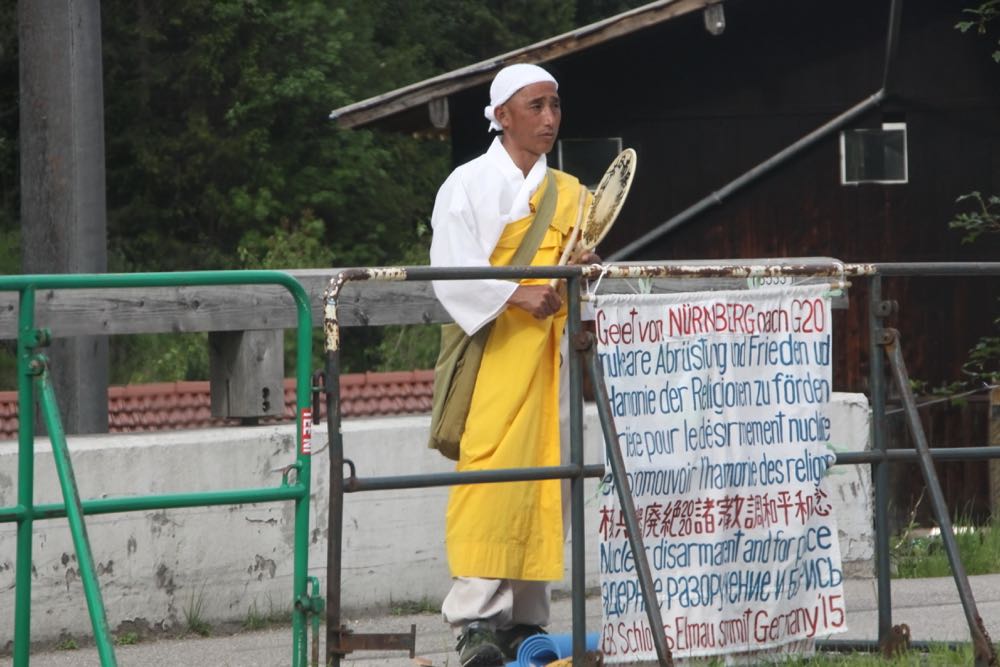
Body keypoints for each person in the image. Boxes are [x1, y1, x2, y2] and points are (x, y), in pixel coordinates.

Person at [429, 63, 595, 667]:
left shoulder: (572, 192)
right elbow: (450, 267)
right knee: (489, 480)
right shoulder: (467, 185)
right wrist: (514, 292)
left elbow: (580, 270)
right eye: (535, 106)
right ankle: (474, 620)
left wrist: (586, 268)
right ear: (502, 116)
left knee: (549, 482)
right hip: (495, 356)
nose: (548, 118)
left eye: (554, 105)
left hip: (550, 359)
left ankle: (527, 622)